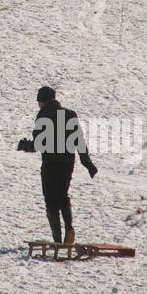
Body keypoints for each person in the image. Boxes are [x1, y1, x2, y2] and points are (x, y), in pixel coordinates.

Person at [16, 86, 98, 245]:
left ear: (42, 101)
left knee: (51, 200)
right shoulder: (69, 114)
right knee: (63, 195)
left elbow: (39, 144)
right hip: (67, 162)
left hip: (50, 163)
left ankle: (58, 240)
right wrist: (87, 163)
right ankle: (69, 228)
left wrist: (24, 145)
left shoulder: (43, 115)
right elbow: (79, 140)